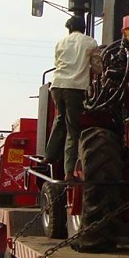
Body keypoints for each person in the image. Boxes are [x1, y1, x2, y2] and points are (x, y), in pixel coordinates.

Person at [43, 14, 101, 180]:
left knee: (60, 119)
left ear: (69, 28)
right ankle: (69, 172)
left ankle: (49, 155)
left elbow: (57, 64)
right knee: (72, 129)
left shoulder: (60, 43)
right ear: (84, 27)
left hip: (56, 86)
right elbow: (97, 67)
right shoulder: (89, 42)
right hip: (74, 88)